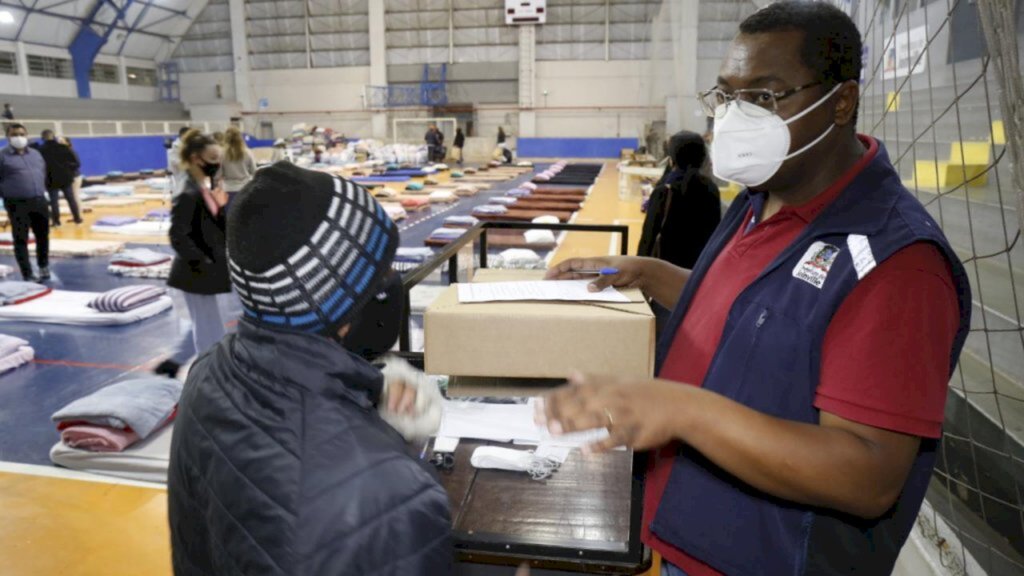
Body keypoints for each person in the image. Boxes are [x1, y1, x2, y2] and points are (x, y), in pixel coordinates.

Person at [542, 3, 971, 575]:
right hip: (691, 534)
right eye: (728, 96)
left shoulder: (895, 263)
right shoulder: (759, 200)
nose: (739, 117)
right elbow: (761, 310)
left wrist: (680, 409)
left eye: (765, 97)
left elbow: (867, 475)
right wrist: (648, 271)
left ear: (841, 102)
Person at [168, 162, 452, 575]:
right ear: (343, 313)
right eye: (383, 273)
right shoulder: (388, 494)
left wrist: (367, 408)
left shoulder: (208, 372)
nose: (393, 284)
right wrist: (381, 452)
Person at [154, 130, 230, 380]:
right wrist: (202, 261)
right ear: (197, 159)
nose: (216, 164)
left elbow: (210, 228)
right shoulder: (188, 192)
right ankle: (209, 375)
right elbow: (178, 235)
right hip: (196, 273)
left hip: (209, 269)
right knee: (209, 330)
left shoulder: (203, 188)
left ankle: (175, 363)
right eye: (212, 158)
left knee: (210, 325)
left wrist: (220, 210)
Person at [637, 131, 720, 271]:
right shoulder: (711, 189)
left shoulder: (665, 190)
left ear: (672, 158)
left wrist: (638, 268)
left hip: (666, 270)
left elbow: (648, 237)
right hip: (699, 270)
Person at [0, 123, 51, 281]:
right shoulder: (2, 156)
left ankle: (43, 266)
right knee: (21, 239)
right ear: (8, 137)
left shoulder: (36, 154)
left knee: (43, 236)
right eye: (14, 134)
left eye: (21, 134)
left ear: (27, 135)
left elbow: (42, 172)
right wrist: (7, 197)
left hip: (39, 200)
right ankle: (27, 273)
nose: (18, 137)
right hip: (17, 203)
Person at [37, 129, 83, 227]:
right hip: (65, 178)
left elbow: (38, 166)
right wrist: (67, 170)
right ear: (54, 136)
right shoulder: (63, 147)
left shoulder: (40, 150)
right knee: (71, 199)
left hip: (50, 179)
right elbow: (76, 163)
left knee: (54, 201)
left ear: (42, 138)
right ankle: (77, 219)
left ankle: (56, 222)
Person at [220, 127, 256, 201]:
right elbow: (254, 171)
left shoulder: (221, 154)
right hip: (245, 188)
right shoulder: (247, 152)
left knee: (230, 212)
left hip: (228, 190)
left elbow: (218, 174)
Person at [168, 126, 190, 196]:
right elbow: (176, 162)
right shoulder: (175, 146)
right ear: (183, 135)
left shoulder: (187, 145)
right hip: (179, 176)